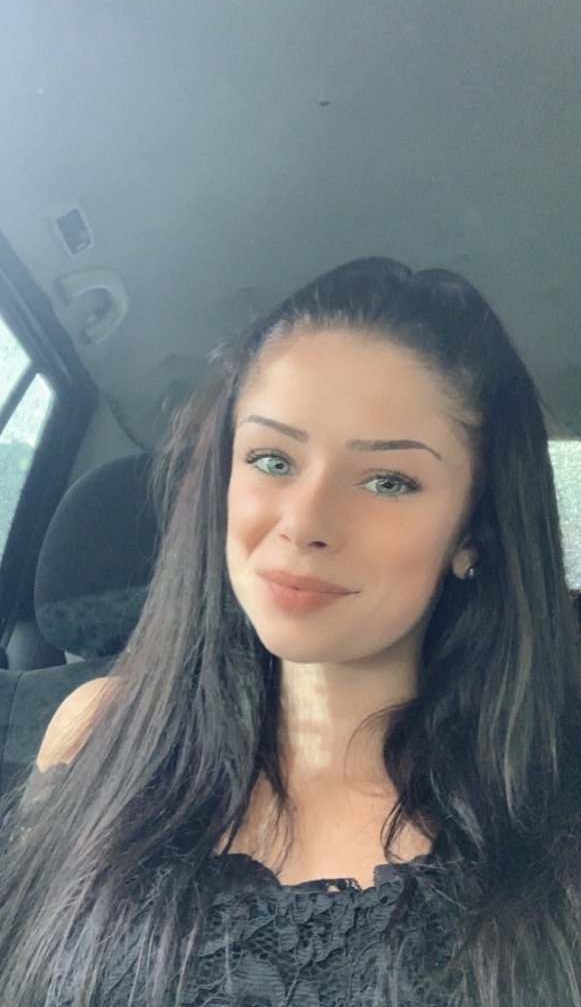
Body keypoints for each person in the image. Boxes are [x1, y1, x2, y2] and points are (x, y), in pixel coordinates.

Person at [1, 256, 580, 1006]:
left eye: (387, 481)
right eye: (272, 459)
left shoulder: (550, 809)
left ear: (473, 532)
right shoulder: (93, 732)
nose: (304, 521)